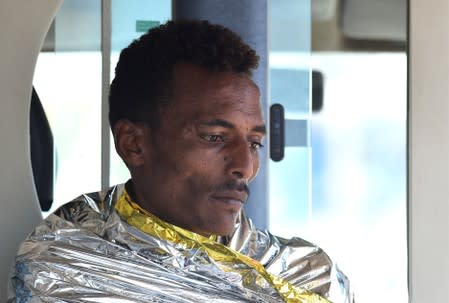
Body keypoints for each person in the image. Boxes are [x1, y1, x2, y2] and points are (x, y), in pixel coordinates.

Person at [8, 20, 353, 302]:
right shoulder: (69, 270)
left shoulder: (308, 276)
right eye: (214, 138)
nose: (244, 167)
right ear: (134, 144)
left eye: (255, 143)